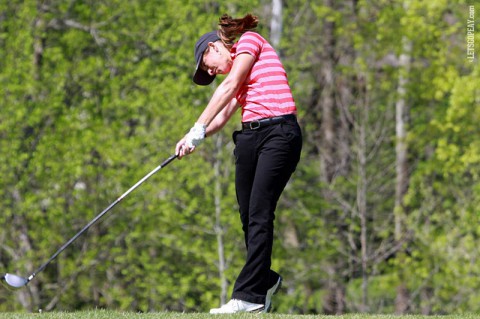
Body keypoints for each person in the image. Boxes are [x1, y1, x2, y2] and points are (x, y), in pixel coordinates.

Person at [175, 13, 302, 314]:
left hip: (279, 134)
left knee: (260, 211)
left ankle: (248, 295)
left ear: (214, 47)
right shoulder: (240, 79)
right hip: (250, 138)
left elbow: (229, 85)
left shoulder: (249, 42)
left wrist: (197, 126)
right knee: (248, 215)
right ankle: (265, 280)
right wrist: (194, 138)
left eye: (209, 65)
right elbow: (221, 116)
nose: (213, 72)